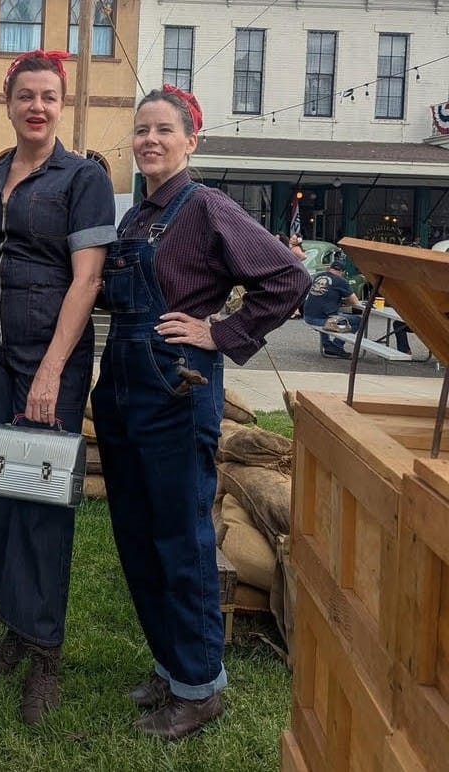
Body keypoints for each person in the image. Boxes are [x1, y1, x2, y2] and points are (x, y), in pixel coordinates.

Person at [90, 85, 310, 741]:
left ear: (192, 139)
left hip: (176, 387)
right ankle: (172, 664)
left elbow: (287, 280)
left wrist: (223, 333)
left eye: (164, 130)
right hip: (123, 384)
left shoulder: (208, 207)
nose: (150, 139)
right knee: (135, 532)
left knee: (180, 536)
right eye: (142, 130)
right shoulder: (134, 220)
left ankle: (200, 689)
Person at [0, 50, 116, 726]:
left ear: (59, 103)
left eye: (49, 96)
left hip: (47, 352)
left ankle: (45, 653)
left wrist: (53, 370)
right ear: (9, 100)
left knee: (43, 502)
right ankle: (15, 624)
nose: (39, 107)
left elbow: (87, 280)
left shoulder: (81, 178)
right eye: (27, 95)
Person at [303, 259, 363, 358]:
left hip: (307, 315)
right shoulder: (341, 281)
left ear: (329, 268)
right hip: (320, 319)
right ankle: (336, 346)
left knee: (327, 313)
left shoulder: (319, 276)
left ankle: (328, 344)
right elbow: (355, 301)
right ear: (342, 272)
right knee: (358, 321)